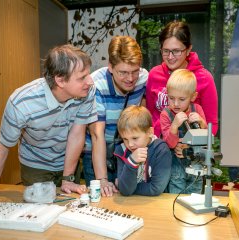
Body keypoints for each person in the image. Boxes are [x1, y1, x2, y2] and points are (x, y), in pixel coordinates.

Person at [0, 44, 97, 197]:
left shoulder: (87, 91)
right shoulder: (21, 103)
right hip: (36, 164)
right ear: (60, 80)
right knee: (39, 213)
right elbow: (3, 144)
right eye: (82, 77)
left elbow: (77, 135)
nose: (90, 81)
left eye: (88, 74)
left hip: (69, 161)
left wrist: (68, 178)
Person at [83, 36, 148, 197]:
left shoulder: (143, 78)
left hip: (124, 151)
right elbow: (97, 134)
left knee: (128, 199)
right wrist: (102, 179)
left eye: (134, 71)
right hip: (96, 154)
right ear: (110, 67)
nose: (131, 79)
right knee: (101, 199)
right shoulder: (96, 86)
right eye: (123, 72)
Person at [145, 20, 218, 138]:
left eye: (176, 51)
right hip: (159, 146)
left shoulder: (204, 78)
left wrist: (188, 144)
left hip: (190, 149)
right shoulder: (154, 74)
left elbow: (211, 125)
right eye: (166, 51)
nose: (170, 57)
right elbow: (150, 116)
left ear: (188, 49)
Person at [160, 69, 207, 194]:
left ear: (193, 97)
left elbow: (206, 141)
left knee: (195, 197)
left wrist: (201, 122)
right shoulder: (166, 114)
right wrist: (174, 125)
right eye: (171, 98)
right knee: (176, 198)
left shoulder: (197, 109)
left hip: (196, 164)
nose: (175, 104)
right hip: (176, 167)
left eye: (181, 99)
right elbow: (169, 144)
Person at [114, 105, 172, 196]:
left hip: (156, 204)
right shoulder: (122, 150)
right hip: (129, 203)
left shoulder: (161, 150)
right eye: (125, 139)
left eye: (135, 138)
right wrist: (131, 163)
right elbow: (125, 191)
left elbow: (156, 188)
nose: (130, 144)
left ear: (149, 132)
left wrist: (126, 187)